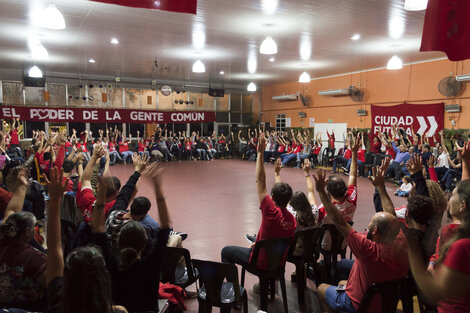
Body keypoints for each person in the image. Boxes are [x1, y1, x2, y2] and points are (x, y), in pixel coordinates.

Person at [314, 169, 408, 313]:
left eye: (371, 223)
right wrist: (381, 187)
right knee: (341, 275)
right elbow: (392, 216)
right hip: (386, 301)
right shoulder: (401, 239)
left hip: (360, 305)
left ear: (375, 231)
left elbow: (339, 221)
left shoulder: (367, 249)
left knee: (321, 289)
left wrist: (321, 192)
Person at [45, 167, 128, 313]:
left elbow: (54, 247)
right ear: (104, 278)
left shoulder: (58, 300)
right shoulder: (118, 311)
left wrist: (54, 200)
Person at [91, 162, 171, 313]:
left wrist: (101, 194)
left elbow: (98, 228)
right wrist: (158, 187)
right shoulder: (150, 267)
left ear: (120, 242)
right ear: (144, 243)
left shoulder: (113, 265)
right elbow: (166, 228)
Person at [221, 133, 296, 292]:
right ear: (288, 200)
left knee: (226, 252)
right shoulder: (292, 219)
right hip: (278, 263)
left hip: (260, 262)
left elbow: (260, 181)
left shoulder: (270, 211)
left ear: (273, 197)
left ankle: (233, 293)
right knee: (260, 243)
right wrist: (277, 175)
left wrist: (260, 153)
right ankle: (269, 284)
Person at [407, 141, 470, 313]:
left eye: (453, 195)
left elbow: (436, 293)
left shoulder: (459, 241)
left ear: (463, 205)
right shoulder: (462, 228)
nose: (449, 198)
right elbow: (466, 190)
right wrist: (465, 162)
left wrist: (413, 254)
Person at [0, 169, 47, 311]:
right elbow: (55, 283)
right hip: (27, 307)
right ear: (28, 232)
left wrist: (22, 185)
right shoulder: (34, 257)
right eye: (34, 227)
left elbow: (12, 211)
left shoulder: (3, 240)